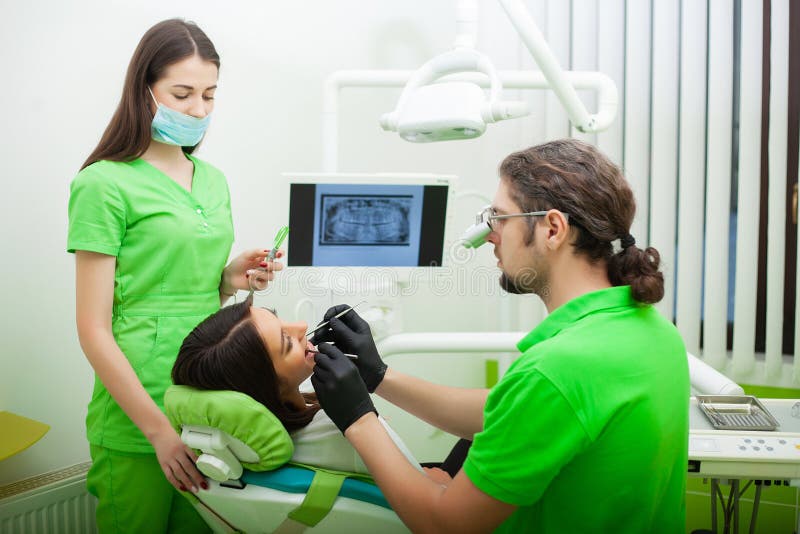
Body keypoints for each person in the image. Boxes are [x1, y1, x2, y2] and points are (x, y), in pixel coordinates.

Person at [310, 138, 690, 533]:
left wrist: (358, 420)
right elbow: (507, 412)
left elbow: (444, 525)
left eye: (499, 217)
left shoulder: (556, 370)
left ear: (553, 228)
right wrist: (379, 377)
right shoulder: (653, 331)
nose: (489, 234)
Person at [67, 19, 281, 533]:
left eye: (209, 95)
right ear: (144, 91)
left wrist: (232, 277)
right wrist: (159, 433)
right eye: (182, 94)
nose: (199, 110)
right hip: (137, 414)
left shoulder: (212, 180)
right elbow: (93, 329)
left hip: (208, 404)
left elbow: (192, 283)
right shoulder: (103, 185)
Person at [172, 299, 420, 474]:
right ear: (270, 389)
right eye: (286, 341)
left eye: (280, 320)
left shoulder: (234, 446)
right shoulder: (341, 434)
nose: (301, 326)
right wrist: (366, 419)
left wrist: (377, 376)